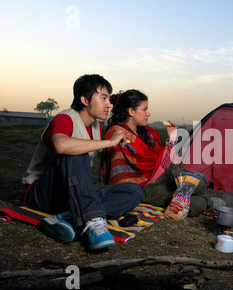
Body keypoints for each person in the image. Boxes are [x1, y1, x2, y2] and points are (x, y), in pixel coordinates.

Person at [22, 74, 144, 251]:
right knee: (74, 149)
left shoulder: (96, 126)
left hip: (71, 192)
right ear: (85, 99)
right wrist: (108, 142)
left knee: (133, 190)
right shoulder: (64, 118)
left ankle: (68, 218)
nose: (109, 104)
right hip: (42, 193)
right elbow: (61, 145)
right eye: (103, 98)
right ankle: (92, 220)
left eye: (109, 99)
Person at [102, 89, 221, 217]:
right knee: (197, 204)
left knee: (200, 182)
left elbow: (164, 164)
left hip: (161, 173)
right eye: (144, 109)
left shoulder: (148, 133)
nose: (149, 113)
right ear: (131, 111)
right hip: (145, 186)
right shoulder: (117, 133)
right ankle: (206, 202)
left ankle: (202, 199)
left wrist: (171, 139)